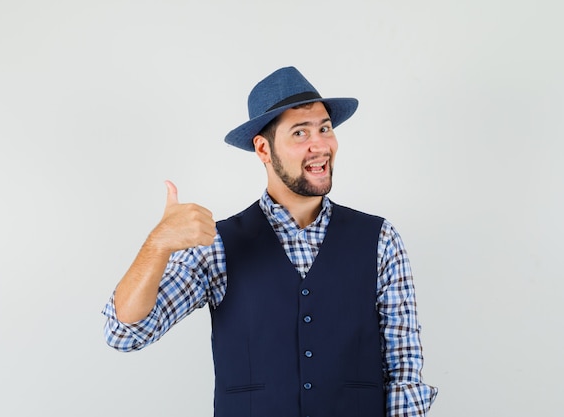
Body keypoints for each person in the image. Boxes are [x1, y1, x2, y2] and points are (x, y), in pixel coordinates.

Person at [102, 66, 437, 417]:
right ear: (263, 149)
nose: (320, 145)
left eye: (324, 128)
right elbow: (125, 333)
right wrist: (158, 245)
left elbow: (404, 371)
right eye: (299, 133)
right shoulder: (217, 245)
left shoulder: (380, 240)